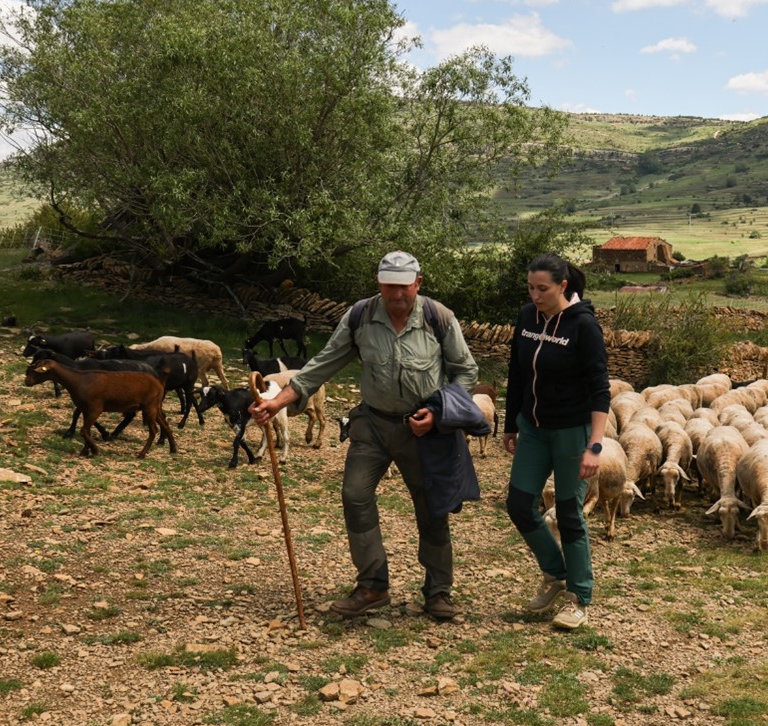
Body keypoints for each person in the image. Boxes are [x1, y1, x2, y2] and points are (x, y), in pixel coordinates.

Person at [249, 250, 478, 621]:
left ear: (418, 283)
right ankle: (373, 586)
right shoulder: (360, 317)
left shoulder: (439, 318)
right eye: (389, 286)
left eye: (404, 287)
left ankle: (438, 592)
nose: (397, 294)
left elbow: (465, 371)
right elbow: (321, 365)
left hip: (423, 430)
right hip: (372, 424)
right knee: (354, 494)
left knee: (432, 508)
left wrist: (438, 414)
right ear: (379, 283)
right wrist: (279, 401)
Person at [502, 253, 610, 630]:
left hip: (571, 432)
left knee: (568, 515)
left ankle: (579, 598)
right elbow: (517, 371)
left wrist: (595, 445)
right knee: (518, 504)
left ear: (563, 286)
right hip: (532, 429)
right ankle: (556, 573)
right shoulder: (527, 317)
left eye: (542, 289)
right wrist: (510, 424)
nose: (535, 295)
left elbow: (600, 389)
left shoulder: (584, 327)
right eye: (531, 288)